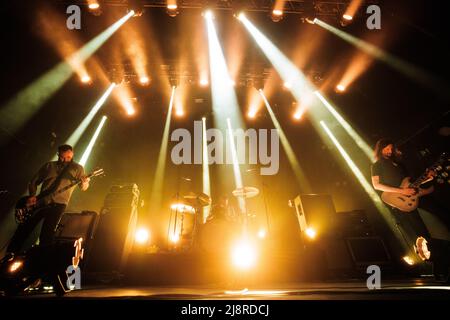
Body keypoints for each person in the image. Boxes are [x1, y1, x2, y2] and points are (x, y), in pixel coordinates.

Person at [6, 144, 90, 255]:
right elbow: (33, 182)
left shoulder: (77, 168)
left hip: (59, 205)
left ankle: (41, 261)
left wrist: (85, 181)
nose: (65, 160)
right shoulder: (49, 166)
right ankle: (9, 254)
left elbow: (84, 188)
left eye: (68, 158)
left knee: (47, 234)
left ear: (72, 154)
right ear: (58, 155)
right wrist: (32, 196)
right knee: (24, 228)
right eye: (62, 157)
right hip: (41, 202)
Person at [371, 139, 435, 249]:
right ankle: (431, 254)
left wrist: (426, 179)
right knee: (419, 231)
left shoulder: (399, 164)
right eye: (386, 149)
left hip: (411, 195)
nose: (390, 151)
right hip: (398, 200)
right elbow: (376, 185)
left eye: (391, 148)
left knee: (435, 215)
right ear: (380, 149)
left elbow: (410, 183)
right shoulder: (376, 165)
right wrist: (402, 191)